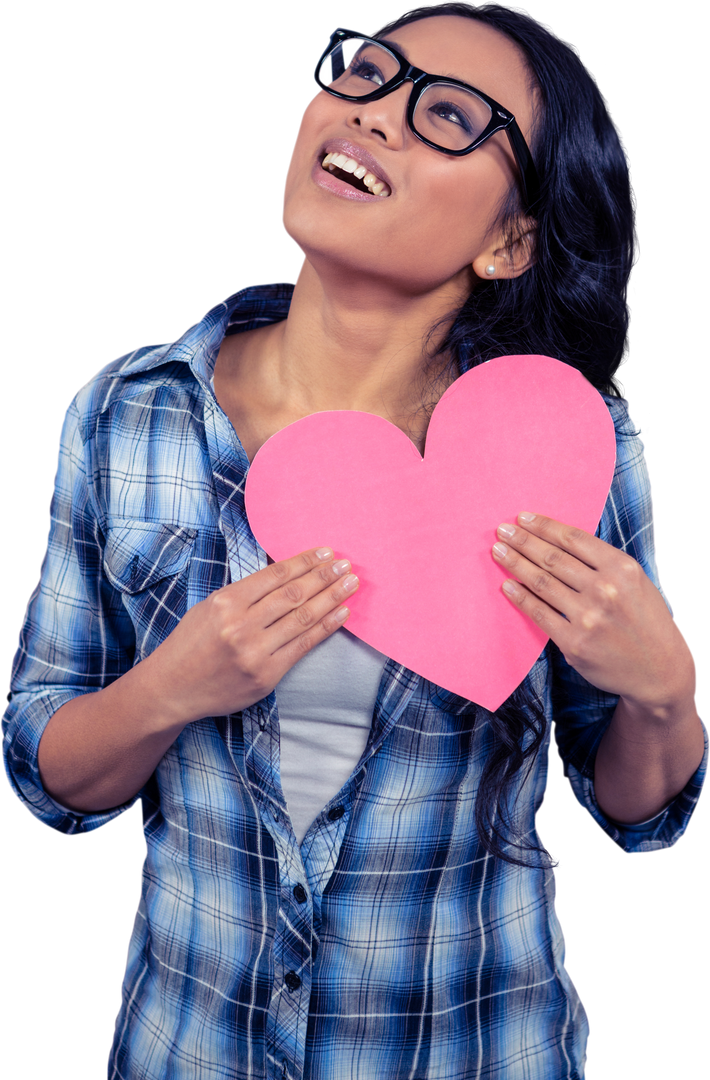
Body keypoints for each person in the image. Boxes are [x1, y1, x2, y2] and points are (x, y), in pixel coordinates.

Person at [1, 3, 706, 1078]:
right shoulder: (126, 409)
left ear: (509, 240)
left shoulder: (570, 449)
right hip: (184, 1049)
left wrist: (665, 695)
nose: (373, 113)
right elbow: (45, 771)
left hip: (479, 1047)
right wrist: (168, 691)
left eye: (447, 116)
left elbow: (630, 813)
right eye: (366, 73)